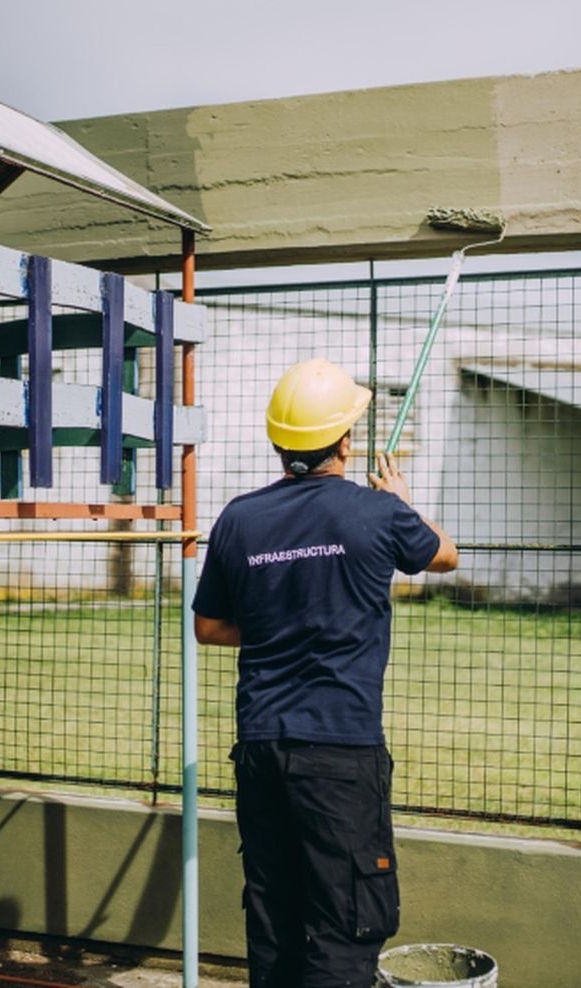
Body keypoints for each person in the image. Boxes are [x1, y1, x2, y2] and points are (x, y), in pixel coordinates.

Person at [193, 357, 458, 987]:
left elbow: (208, 627)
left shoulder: (239, 517)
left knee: (275, 915)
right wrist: (402, 504)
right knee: (342, 920)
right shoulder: (379, 513)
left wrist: (281, 623)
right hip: (340, 754)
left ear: (280, 442)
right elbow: (444, 556)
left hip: (261, 748)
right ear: (344, 441)